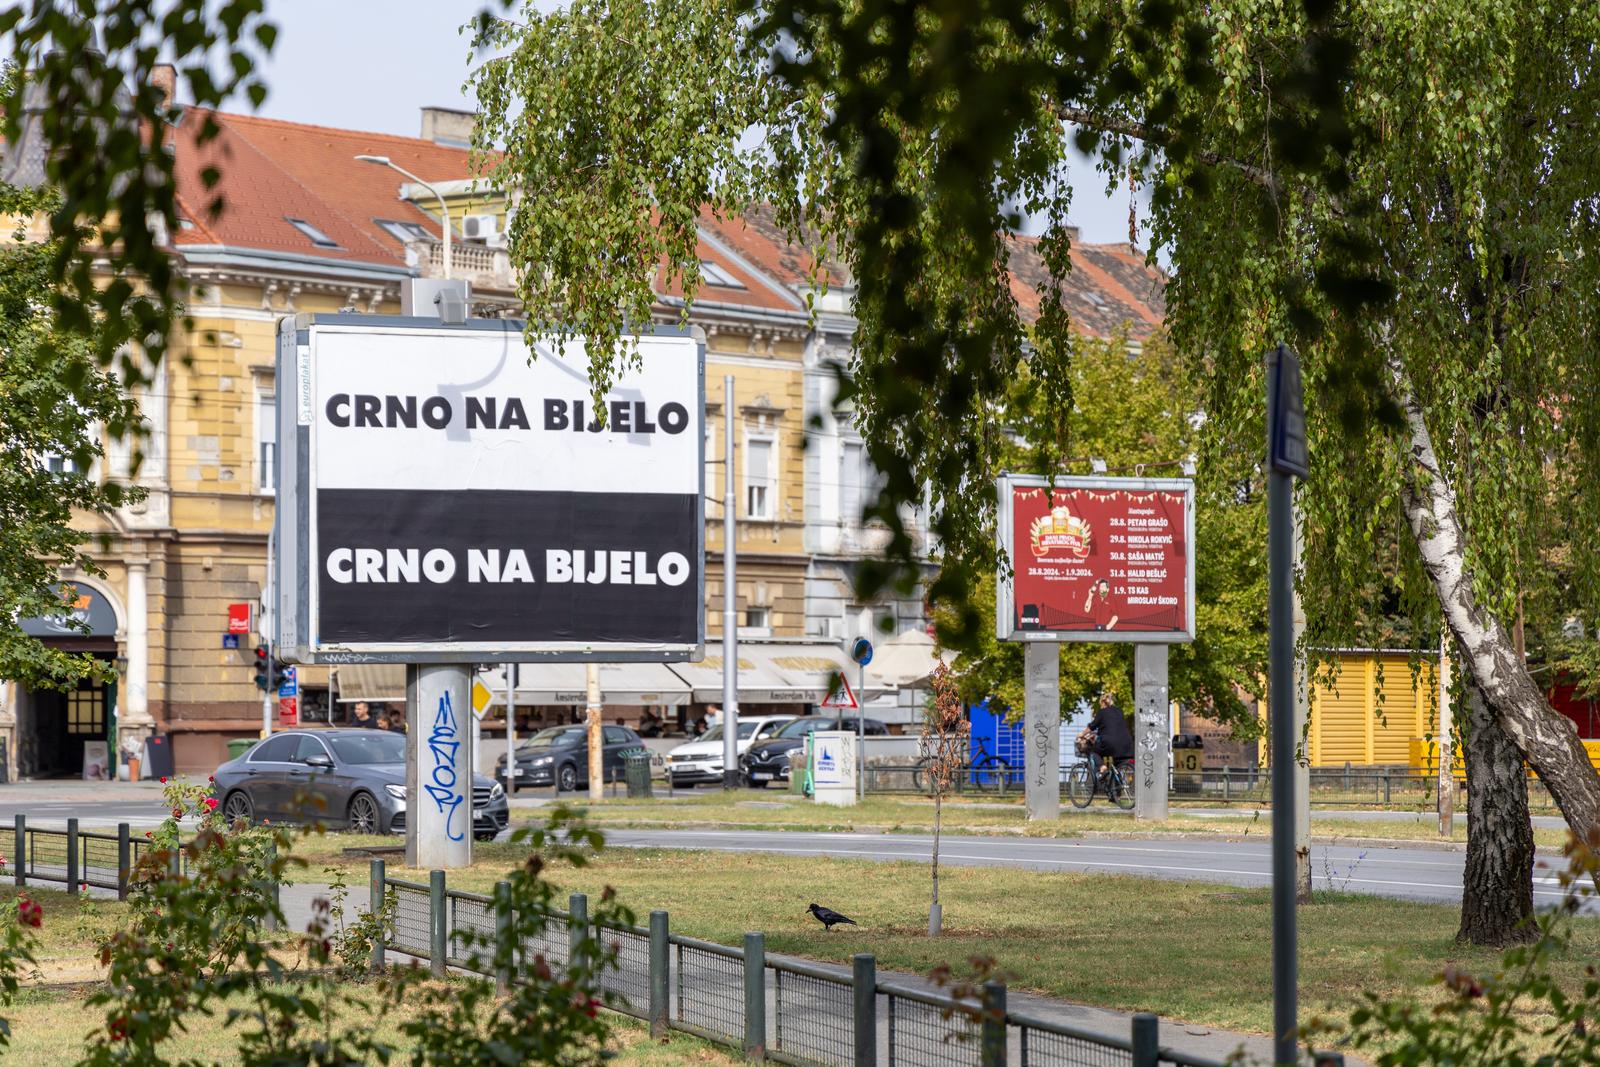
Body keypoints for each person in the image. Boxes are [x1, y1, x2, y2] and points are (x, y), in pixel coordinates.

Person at [1079, 691, 1134, 781]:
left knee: (1092, 750)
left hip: (1111, 744)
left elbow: (1092, 726)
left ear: (1103, 703)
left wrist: (1081, 734)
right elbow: (1111, 728)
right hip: (1126, 746)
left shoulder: (1102, 712)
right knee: (1115, 766)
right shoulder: (1119, 712)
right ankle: (1116, 790)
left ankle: (1102, 767)